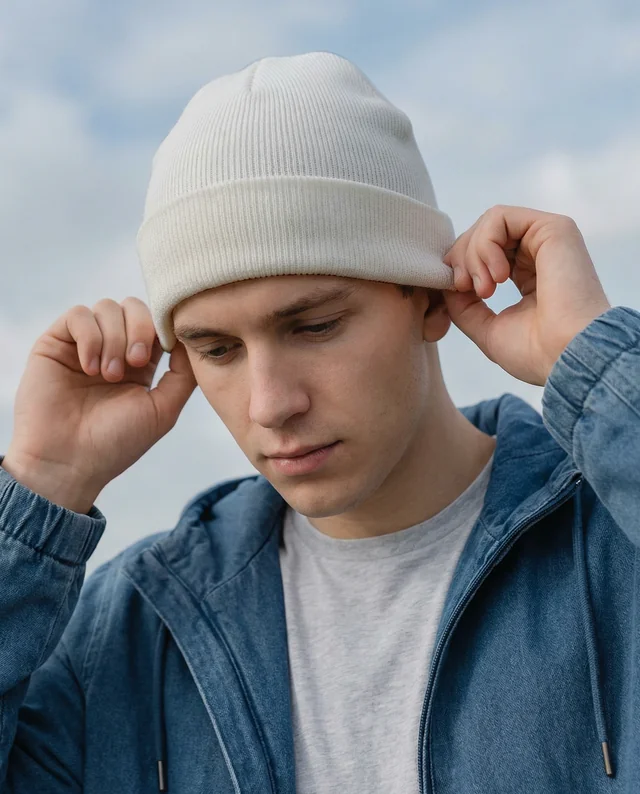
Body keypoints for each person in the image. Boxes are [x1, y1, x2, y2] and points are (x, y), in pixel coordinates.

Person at [0, 50, 636, 794]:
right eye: (217, 348)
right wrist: (39, 490)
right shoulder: (127, 637)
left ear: (431, 301)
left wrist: (596, 367)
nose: (270, 403)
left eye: (314, 326)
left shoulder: (613, 548)